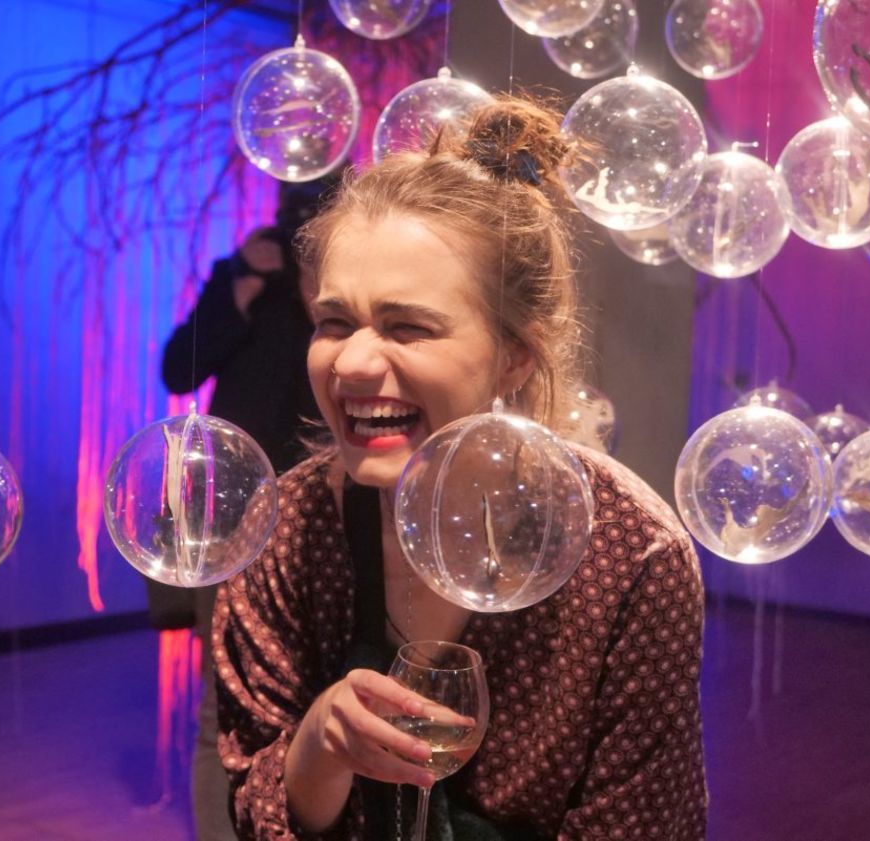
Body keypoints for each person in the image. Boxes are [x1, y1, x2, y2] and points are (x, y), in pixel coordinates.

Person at [211, 97, 707, 840]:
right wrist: (318, 746)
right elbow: (258, 812)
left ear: (514, 356)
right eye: (334, 322)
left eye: (408, 327)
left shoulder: (631, 555)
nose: (351, 363)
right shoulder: (281, 533)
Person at [160, 177, 334, 840]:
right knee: (221, 712)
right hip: (227, 518)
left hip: (321, 517)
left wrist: (320, 284)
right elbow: (177, 369)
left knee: (321, 695)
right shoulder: (243, 274)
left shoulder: (343, 291)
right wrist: (241, 282)